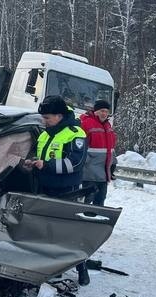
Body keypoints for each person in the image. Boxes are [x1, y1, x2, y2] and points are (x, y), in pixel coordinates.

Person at [26, 95, 91, 285]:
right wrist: (33, 163)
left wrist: (46, 165)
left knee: (70, 231)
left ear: (60, 116)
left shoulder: (75, 133)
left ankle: (82, 268)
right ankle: (52, 268)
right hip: (44, 187)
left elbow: (75, 163)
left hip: (66, 190)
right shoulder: (45, 134)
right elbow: (39, 156)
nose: (44, 121)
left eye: (47, 118)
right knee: (47, 230)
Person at [80, 99, 117, 206]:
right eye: (102, 111)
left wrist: (113, 164)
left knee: (100, 200)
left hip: (103, 174)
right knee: (87, 200)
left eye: (106, 111)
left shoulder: (108, 126)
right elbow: (80, 147)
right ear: (95, 111)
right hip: (89, 173)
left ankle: (96, 220)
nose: (104, 114)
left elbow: (111, 149)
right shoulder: (86, 124)